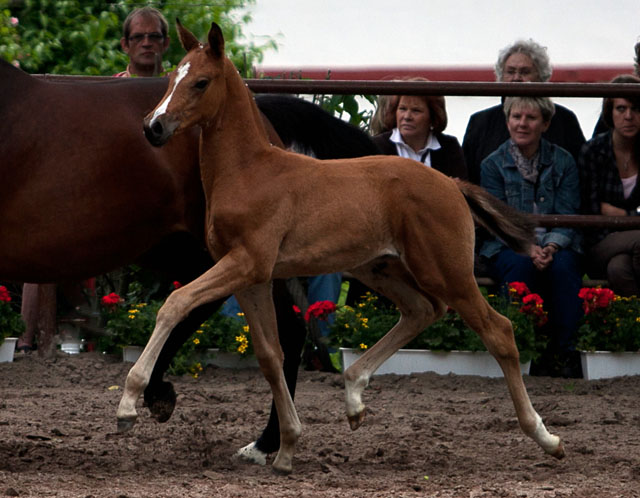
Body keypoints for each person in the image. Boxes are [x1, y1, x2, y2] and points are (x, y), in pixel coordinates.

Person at [480, 96, 584, 378]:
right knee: (518, 268)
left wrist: (550, 245)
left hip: (556, 242)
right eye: (516, 117)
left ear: (546, 124)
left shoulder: (563, 161)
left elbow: (568, 213)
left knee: (563, 268)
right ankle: (521, 351)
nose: (522, 124)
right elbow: (496, 220)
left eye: (530, 118)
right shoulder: (492, 165)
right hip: (508, 244)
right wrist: (526, 247)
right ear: (507, 121)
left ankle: (566, 353)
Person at [463, 39, 585, 185]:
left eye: (525, 72)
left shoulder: (564, 119)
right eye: (510, 72)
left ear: (541, 77)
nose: (516, 78)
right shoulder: (481, 121)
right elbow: (468, 179)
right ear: (501, 77)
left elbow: (580, 176)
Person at [579, 74, 640, 296]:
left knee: (619, 270)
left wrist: (622, 214)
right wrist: (633, 217)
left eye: (636, 109)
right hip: (597, 242)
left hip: (627, 246)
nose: (629, 116)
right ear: (609, 112)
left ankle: (632, 326)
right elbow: (593, 212)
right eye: (621, 109)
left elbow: (608, 210)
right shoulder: (593, 151)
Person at [371, 79, 467, 179]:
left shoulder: (449, 147)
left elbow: (460, 190)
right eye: (402, 109)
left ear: (433, 116)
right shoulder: (377, 146)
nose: (407, 117)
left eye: (416, 111)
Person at [114, 6, 170, 78]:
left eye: (154, 36)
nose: (146, 43)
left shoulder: (180, 87)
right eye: (138, 37)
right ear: (125, 45)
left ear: (165, 43)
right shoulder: (109, 87)